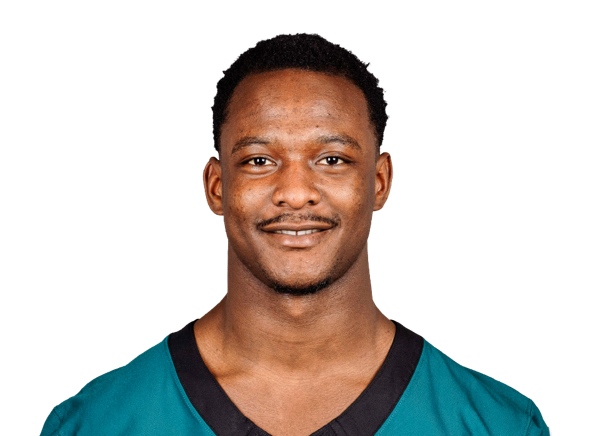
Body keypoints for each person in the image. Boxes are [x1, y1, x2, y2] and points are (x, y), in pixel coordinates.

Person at [40, 32, 549, 436]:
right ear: (217, 186)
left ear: (379, 182)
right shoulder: (96, 424)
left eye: (332, 159)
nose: (296, 193)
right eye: (259, 161)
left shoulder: (498, 425)